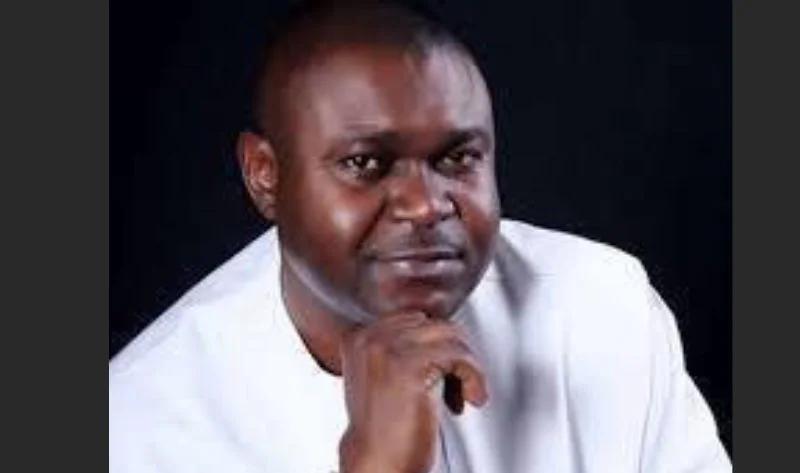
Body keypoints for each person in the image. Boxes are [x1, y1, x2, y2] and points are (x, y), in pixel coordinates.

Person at [108, 1, 731, 472]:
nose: (426, 205)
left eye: (458, 158)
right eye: (364, 163)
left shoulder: (600, 307)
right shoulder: (143, 426)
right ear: (265, 176)